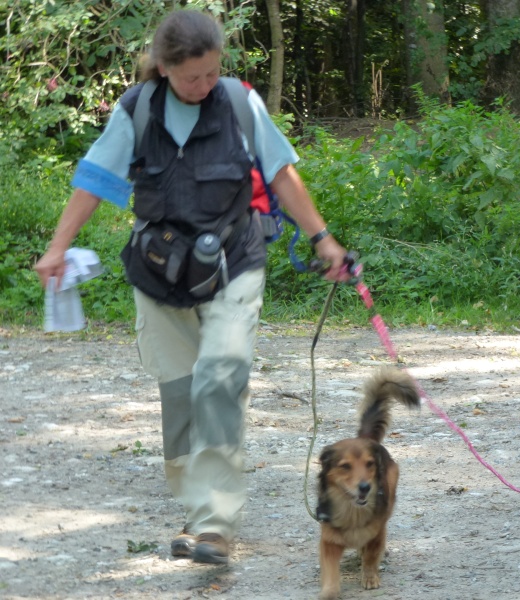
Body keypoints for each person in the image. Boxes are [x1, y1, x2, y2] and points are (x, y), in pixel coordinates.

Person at [34, 9, 349, 565]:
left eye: (211, 74)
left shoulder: (239, 102)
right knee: (180, 395)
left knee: (220, 381)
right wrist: (58, 248)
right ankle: (198, 505)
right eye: (191, 78)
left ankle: (214, 524)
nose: (204, 86)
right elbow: (95, 180)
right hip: (158, 271)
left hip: (235, 262)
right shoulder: (136, 110)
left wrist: (323, 238)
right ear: (163, 67)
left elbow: (280, 173)